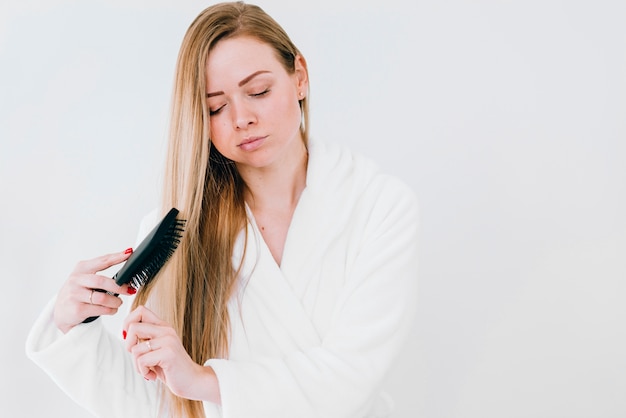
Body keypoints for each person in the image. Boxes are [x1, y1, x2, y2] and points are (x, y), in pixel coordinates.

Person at [25, 2, 419, 417]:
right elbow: (158, 402)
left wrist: (203, 380)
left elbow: (351, 377)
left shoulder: (379, 208)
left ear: (299, 76)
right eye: (215, 106)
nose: (242, 118)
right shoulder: (176, 234)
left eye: (259, 91)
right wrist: (71, 325)